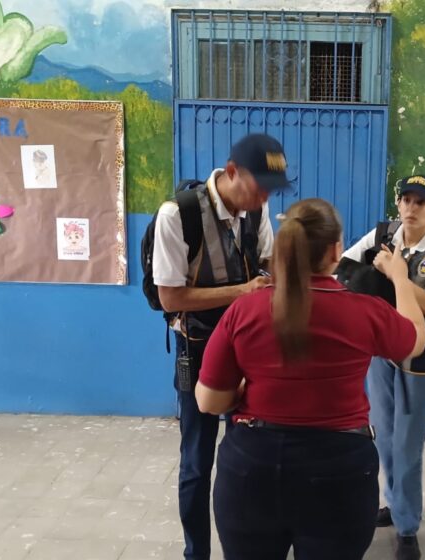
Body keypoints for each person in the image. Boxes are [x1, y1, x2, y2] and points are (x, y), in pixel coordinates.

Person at [194, 198, 425, 560]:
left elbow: (208, 402)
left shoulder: (245, 310)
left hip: (251, 469)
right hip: (339, 472)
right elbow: (415, 338)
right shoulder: (364, 312)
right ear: (336, 251)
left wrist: (247, 387)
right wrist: (399, 277)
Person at [152, 133, 288, 560]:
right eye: (257, 185)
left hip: (249, 347)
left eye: (270, 188)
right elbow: (170, 297)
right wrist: (244, 291)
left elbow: (268, 262)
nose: (264, 196)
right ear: (231, 172)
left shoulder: (256, 209)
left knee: (248, 451)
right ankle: (197, 553)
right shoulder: (178, 215)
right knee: (196, 462)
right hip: (199, 347)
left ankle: (245, 546)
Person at [341, 176, 425, 560]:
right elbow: (346, 262)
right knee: (384, 438)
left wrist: (395, 275)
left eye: (420, 202)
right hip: (383, 353)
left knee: (408, 446)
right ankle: (394, 504)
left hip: (421, 362)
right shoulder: (384, 234)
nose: (410, 208)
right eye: (405, 200)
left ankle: (407, 527)